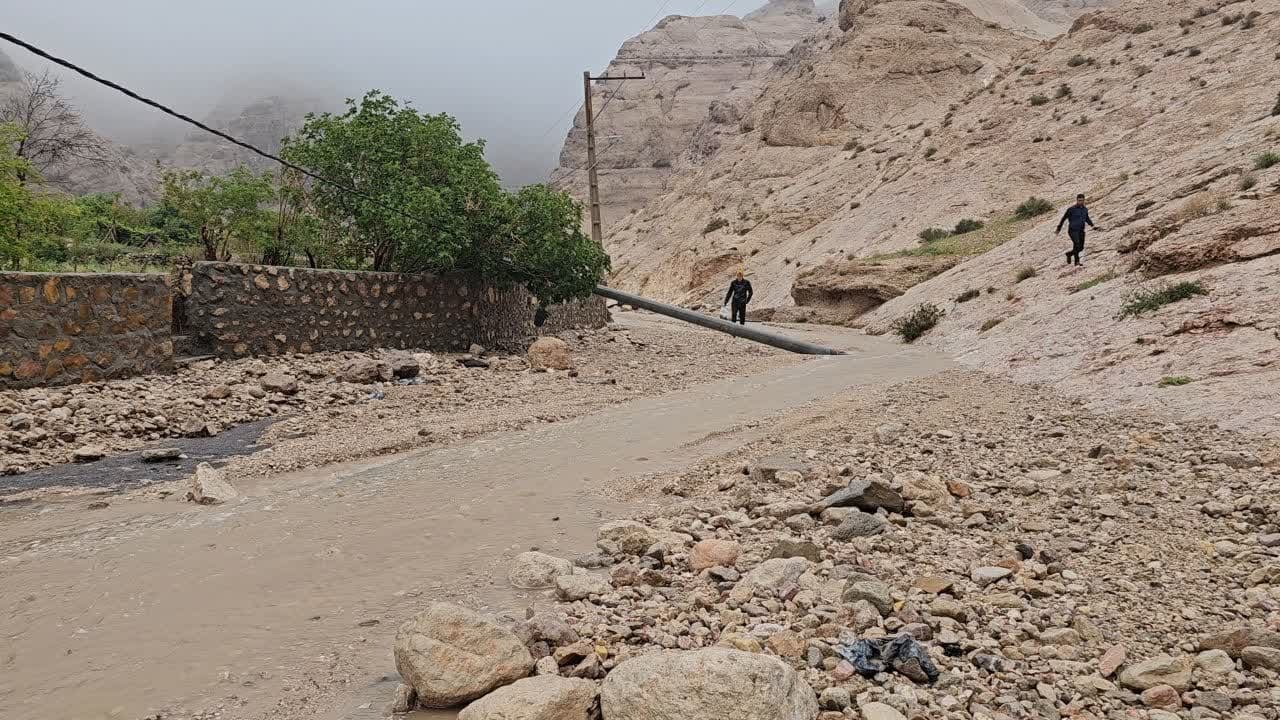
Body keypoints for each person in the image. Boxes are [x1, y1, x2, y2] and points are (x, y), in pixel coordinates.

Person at [1056, 194, 1097, 266]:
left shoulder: (1085, 209)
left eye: (1082, 200)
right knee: (1076, 244)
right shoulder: (1071, 209)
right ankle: (1077, 262)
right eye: (1079, 200)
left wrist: (1092, 225)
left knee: (1081, 248)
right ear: (1077, 200)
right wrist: (1058, 228)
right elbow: (1063, 218)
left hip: (1081, 230)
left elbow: (1087, 218)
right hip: (1072, 230)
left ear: (1084, 200)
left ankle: (1069, 254)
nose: (1080, 202)